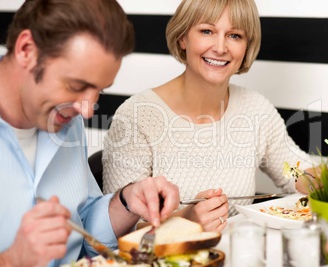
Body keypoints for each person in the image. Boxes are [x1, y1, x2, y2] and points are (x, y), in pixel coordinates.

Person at [0, 0, 180, 266]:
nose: (87, 111)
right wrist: (10, 259)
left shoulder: (66, 118)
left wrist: (128, 201)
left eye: (99, 89)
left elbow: (82, 224)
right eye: (76, 84)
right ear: (27, 50)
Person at [102, 0, 315, 232]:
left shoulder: (256, 110)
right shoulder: (136, 117)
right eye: (207, 31)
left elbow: (292, 170)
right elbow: (116, 231)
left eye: (234, 36)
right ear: (183, 38)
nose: (220, 48)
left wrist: (327, 178)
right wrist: (185, 220)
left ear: (246, 47)